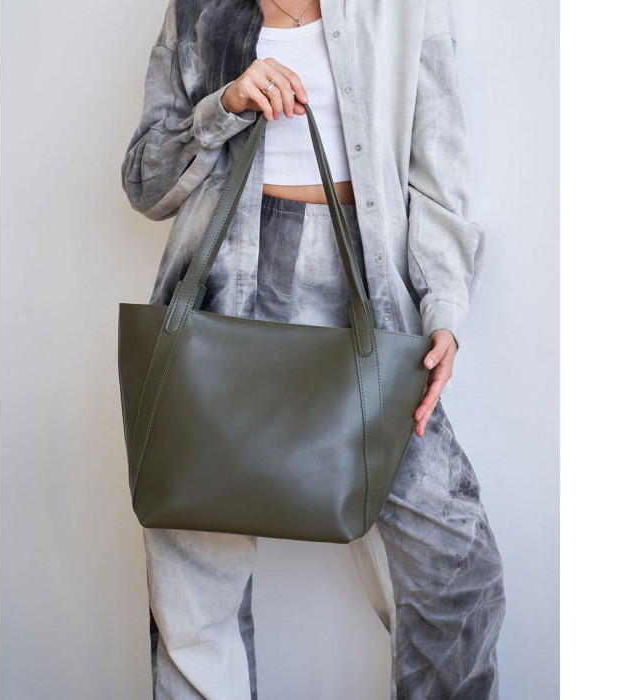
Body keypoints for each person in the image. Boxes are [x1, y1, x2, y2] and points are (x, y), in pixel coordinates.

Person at [121, 0, 507, 698]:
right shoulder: (199, 9)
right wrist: (224, 105)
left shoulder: (404, 8)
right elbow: (144, 185)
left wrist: (444, 309)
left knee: (457, 571)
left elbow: (437, 170)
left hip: (367, 298)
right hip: (222, 299)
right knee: (192, 597)